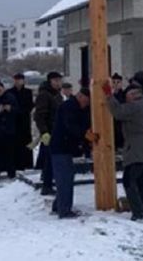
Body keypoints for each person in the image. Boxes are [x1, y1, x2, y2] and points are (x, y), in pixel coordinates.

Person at [102, 81, 143, 221]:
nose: (126, 99)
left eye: (127, 96)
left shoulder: (136, 106)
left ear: (134, 95)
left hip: (138, 148)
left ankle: (138, 211)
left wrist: (109, 95)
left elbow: (118, 112)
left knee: (129, 180)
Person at [50, 87, 96, 219]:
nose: (85, 105)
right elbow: (71, 126)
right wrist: (85, 135)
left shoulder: (75, 107)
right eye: (85, 102)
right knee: (65, 179)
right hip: (61, 148)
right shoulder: (68, 107)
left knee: (64, 178)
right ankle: (64, 210)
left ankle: (58, 205)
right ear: (80, 96)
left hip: (64, 148)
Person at [34, 71, 64, 195]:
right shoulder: (44, 95)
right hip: (48, 132)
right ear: (50, 81)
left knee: (52, 158)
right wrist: (44, 131)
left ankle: (49, 182)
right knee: (48, 158)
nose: (58, 83)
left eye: (59, 81)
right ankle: (46, 185)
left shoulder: (57, 95)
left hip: (57, 131)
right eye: (55, 81)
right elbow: (39, 116)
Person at [10, 73, 36, 170]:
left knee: (26, 142)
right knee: (15, 143)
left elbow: (30, 105)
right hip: (13, 121)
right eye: (16, 80)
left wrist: (22, 110)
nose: (18, 82)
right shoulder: (10, 92)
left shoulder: (28, 92)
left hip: (25, 120)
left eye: (20, 80)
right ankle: (15, 164)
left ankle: (27, 164)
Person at [111, 73, 126, 150]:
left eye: (118, 82)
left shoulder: (124, 95)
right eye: (113, 82)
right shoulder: (110, 95)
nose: (116, 84)